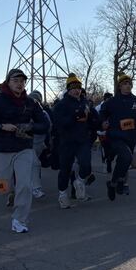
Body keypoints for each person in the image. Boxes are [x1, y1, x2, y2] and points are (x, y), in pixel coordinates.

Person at [0, 69, 49, 233]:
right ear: (8, 82)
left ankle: (19, 220)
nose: (19, 84)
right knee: (4, 188)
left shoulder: (31, 103)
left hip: (24, 148)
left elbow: (45, 125)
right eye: (16, 80)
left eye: (22, 81)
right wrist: (1, 126)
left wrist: (30, 127)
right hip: (0, 148)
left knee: (25, 185)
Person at [99, 73, 136, 201]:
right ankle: (120, 181)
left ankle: (113, 183)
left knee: (127, 161)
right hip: (115, 136)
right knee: (126, 156)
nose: (127, 86)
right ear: (119, 86)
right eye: (124, 84)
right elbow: (101, 114)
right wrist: (102, 123)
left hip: (131, 138)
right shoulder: (111, 102)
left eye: (129, 84)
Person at [53, 74, 99, 208]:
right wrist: (74, 116)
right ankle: (62, 195)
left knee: (85, 164)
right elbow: (59, 123)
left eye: (78, 87)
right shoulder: (62, 105)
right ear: (68, 89)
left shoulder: (86, 103)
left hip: (83, 139)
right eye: (73, 88)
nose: (76, 90)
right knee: (65, 170)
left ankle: (79, 182)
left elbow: (92, 119)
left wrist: (98, 123)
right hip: (66, 141)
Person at [28, 91, 51, 199]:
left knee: (33, 166)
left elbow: (48, 128)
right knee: (34, 164)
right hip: (27, 144)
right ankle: (35, 189)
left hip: (39, 144)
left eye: (37, 100)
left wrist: (47, 143)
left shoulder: (43, 113)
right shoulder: (24, 112)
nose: (35, 102)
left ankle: (32, 187)